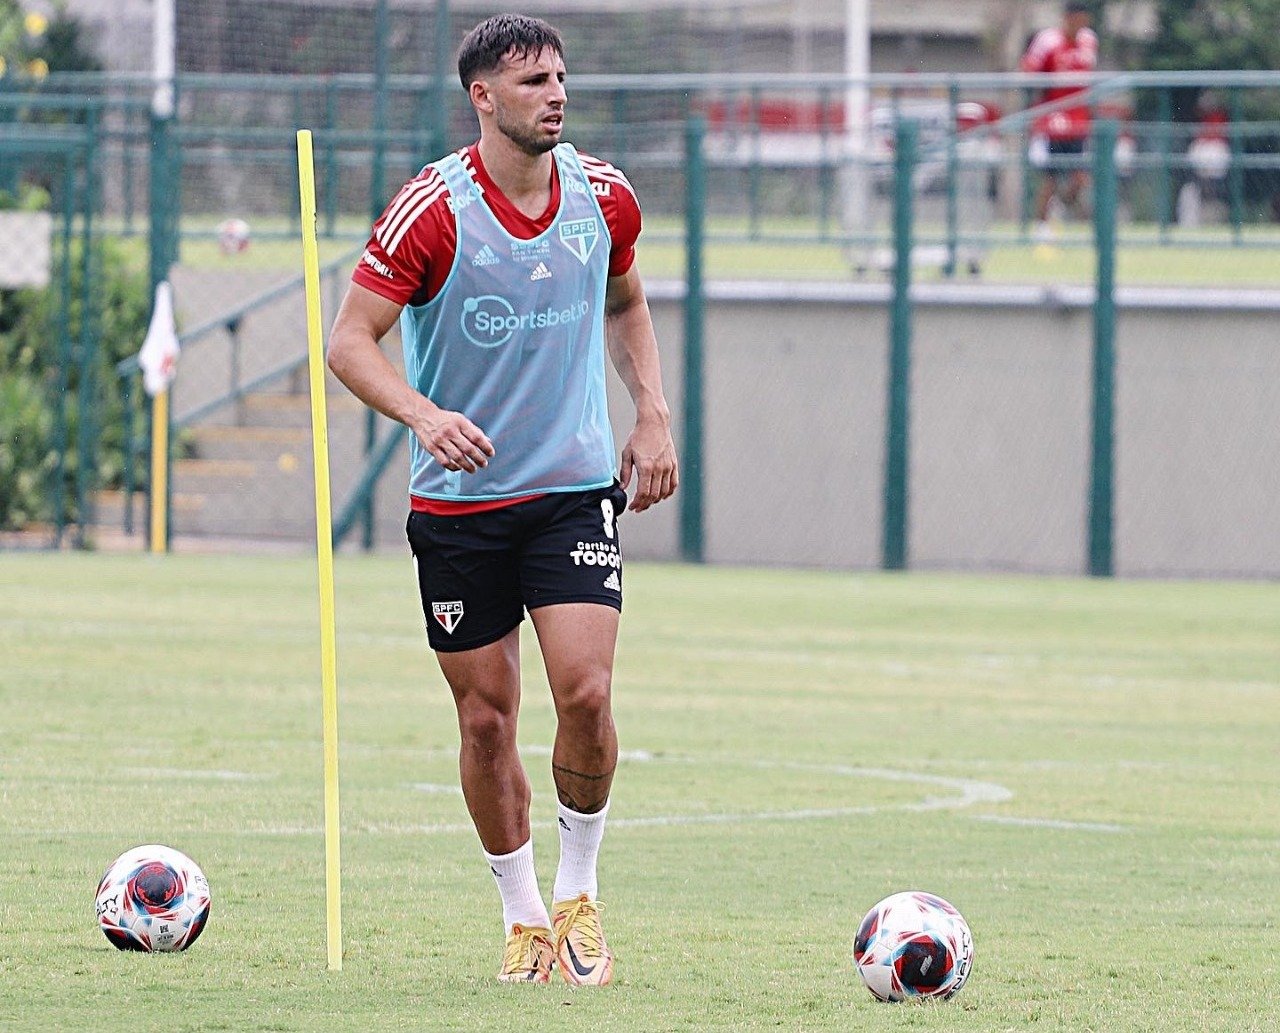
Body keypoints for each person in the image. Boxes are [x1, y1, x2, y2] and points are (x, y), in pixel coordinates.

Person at [326, 13, 678, 986]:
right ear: (483, 97)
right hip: (458, 508)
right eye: (531, 82)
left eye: (560, 77)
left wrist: (650, 413)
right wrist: (422, 414)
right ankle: (521, 915)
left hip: (570, 492)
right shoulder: (430, 211)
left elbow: (625, 298)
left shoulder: (602, 195)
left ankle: (578, 894)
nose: (554, 94)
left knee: (587, 692)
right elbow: (348, 340)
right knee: (486, 720)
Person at [1020, 1, 1098, 238]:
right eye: (1077, 18)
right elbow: (1028, 73)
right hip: (1052, 123)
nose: (1081, 24)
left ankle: (1067, 208)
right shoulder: (1047, 41)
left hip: (1079, 123)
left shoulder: (1089, 41)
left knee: (1080, 178)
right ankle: (1041, 226)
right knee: (1050, 178)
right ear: (1067, 18)